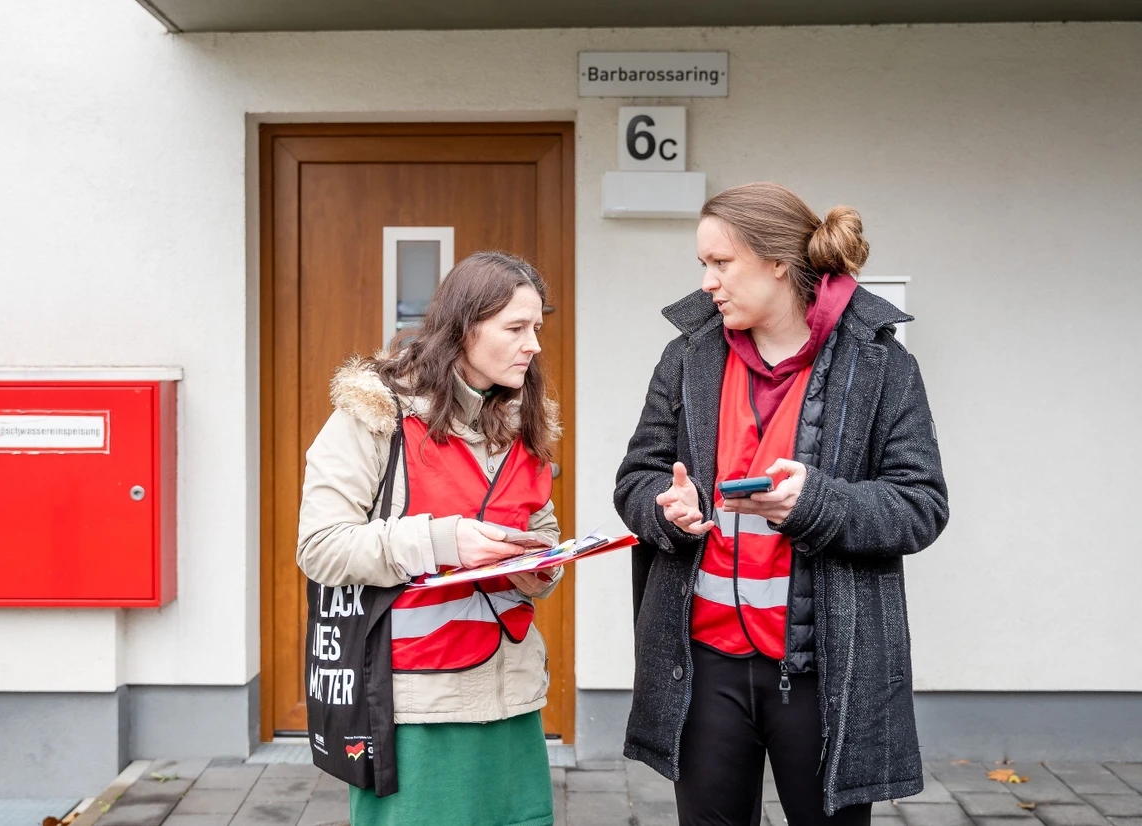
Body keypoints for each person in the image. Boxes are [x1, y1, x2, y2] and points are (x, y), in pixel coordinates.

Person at [614, 182, 949, 825]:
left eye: (721, 263)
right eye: (702, 266)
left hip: (826, 670)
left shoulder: (880, 363)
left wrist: (815, 504)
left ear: (777, 263)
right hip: (702, 664)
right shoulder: (687, 356)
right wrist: (666, 510)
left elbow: (921, 504)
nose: (707, 282)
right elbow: (637, 476)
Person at [296, 251, 563, 826]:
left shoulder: (520, 418)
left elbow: (541, 528)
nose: (533, 344)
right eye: (516, 328)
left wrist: (539, 566)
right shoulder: (374, 413)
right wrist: (446, 542)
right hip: (412, 704)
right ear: (464, 328)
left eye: (537, 327)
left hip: (512, 695)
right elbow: (320, 545)